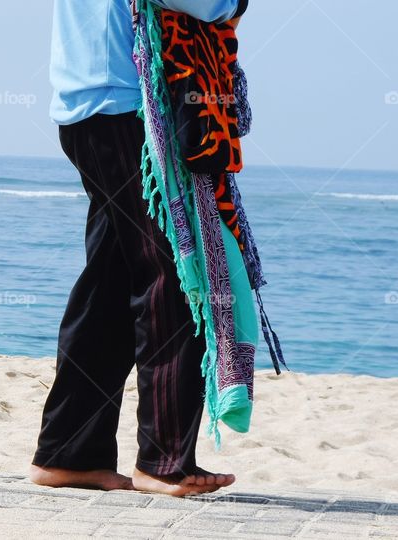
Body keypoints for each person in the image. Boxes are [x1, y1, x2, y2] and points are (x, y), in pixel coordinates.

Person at [30, 0, 249, 497]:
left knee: (110, 282)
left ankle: (69, 454)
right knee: (172, 276)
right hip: (132, 106)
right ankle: (164, 461)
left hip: (87, 103)